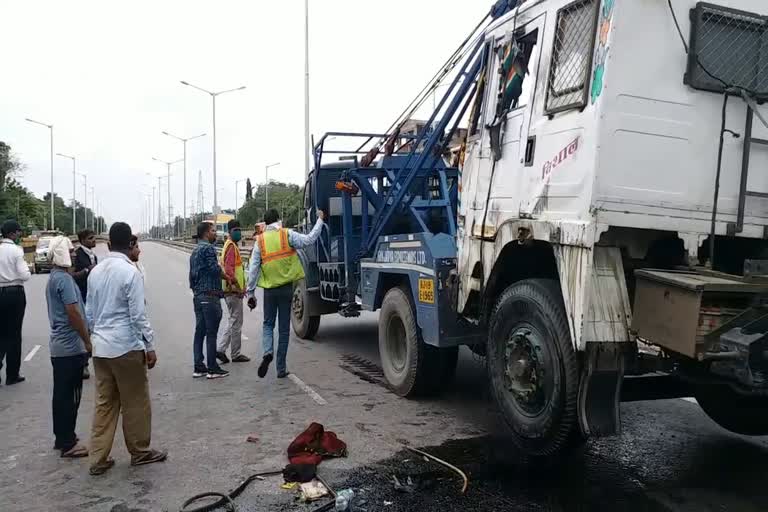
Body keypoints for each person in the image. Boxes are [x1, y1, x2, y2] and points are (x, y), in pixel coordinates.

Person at [86, 222, 166, 476]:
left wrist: (94, 338)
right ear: (130, 244)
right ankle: (140, 452)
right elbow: (138, 316)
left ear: (109, 243)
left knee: (104, 403)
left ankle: (98, 457)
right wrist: (150, 346)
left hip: (101, 348)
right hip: (125, 347)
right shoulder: (131, 273)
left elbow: (89, 313)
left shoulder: (95, 272)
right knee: (135, 402)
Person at [246, 209, 325, 379]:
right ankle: (281, 368)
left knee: (268, 324)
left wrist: (250, 293)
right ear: (278, 220)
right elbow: (310, 239)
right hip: (286, 289)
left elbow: (253, 269)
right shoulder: (287, 234)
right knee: (283, 329)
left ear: (265, 223)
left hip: (270, 291)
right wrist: (319, 220)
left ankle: (267, 352)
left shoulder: (260, 241)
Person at [46, 236, 91, 458]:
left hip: (60, 348)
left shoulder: (57, 277)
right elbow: (73, 312)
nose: (74, 254)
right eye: (70, 250)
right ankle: (68, 442)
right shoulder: (63, 279)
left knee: (61, 395)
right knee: (70, 396)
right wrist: (88, 340)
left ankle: (62, 437)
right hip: (70, 347)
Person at [189, 221, 231, 379]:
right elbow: (214, 269)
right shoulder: (208, 248)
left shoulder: (195, 251)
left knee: (199, 332)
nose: (216, 233)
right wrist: (226, 276)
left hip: (198, 296)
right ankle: (213, 368)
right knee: (211, 333)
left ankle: (199, 366)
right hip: (210, 295)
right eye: (214, 231)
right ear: (206, 233)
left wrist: (196, 291)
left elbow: (191, 277)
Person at [0, 219, 31, 385]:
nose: (20, 234)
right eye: (18, 232)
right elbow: (25, 275)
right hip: (14, 293)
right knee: (14, 334)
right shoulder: (15, 250)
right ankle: (12, 374)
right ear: (12, 233)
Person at [216, 219, 249, 364]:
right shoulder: (231, 247)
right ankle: (235, 354)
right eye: (236, 230)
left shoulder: (229, 245)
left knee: (233, 320)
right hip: (233, 290)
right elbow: (229, 269)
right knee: (236, 322)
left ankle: (221, 349)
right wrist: (237, 285)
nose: (239, 232)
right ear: (229, 232)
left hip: (230, 290)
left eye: (239, 229)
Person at [73, 229, 98, 380]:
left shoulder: (92, 255)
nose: (94, 240)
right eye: (90, 238)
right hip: (81, 296)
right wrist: (87, 270)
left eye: (94, 237)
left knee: (90, 330)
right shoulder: (77, 255)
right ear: (82, 240)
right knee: (84, 331)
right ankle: (83, 365)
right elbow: (72, 276)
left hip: (92, 296)